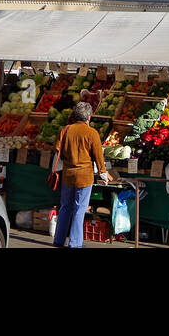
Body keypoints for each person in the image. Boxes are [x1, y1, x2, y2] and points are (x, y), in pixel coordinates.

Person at [50, 101, 110, 248]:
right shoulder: (92, 133)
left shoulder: (65, 130)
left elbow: (58, 150)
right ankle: (75, 243)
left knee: (64, 207)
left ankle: (58, 240)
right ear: (88, 117)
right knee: (79, 209)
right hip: (84, 177)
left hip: (68, 175)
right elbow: (98, 157)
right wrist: (103, 173)